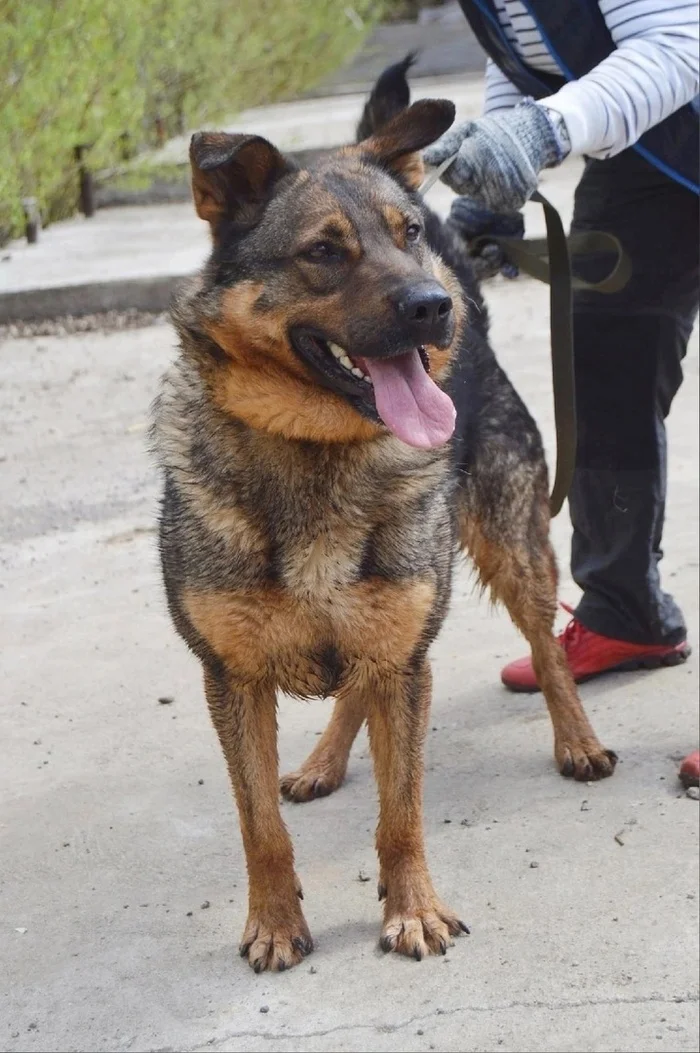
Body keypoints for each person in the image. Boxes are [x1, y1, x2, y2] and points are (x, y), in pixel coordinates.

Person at [423, 0, 699, 787]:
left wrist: (542, 134)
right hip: (656, 149)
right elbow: (524, 47)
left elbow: (682, 38)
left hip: (677, 81)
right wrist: (498, 164)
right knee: (609, 354)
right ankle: (623, 610)